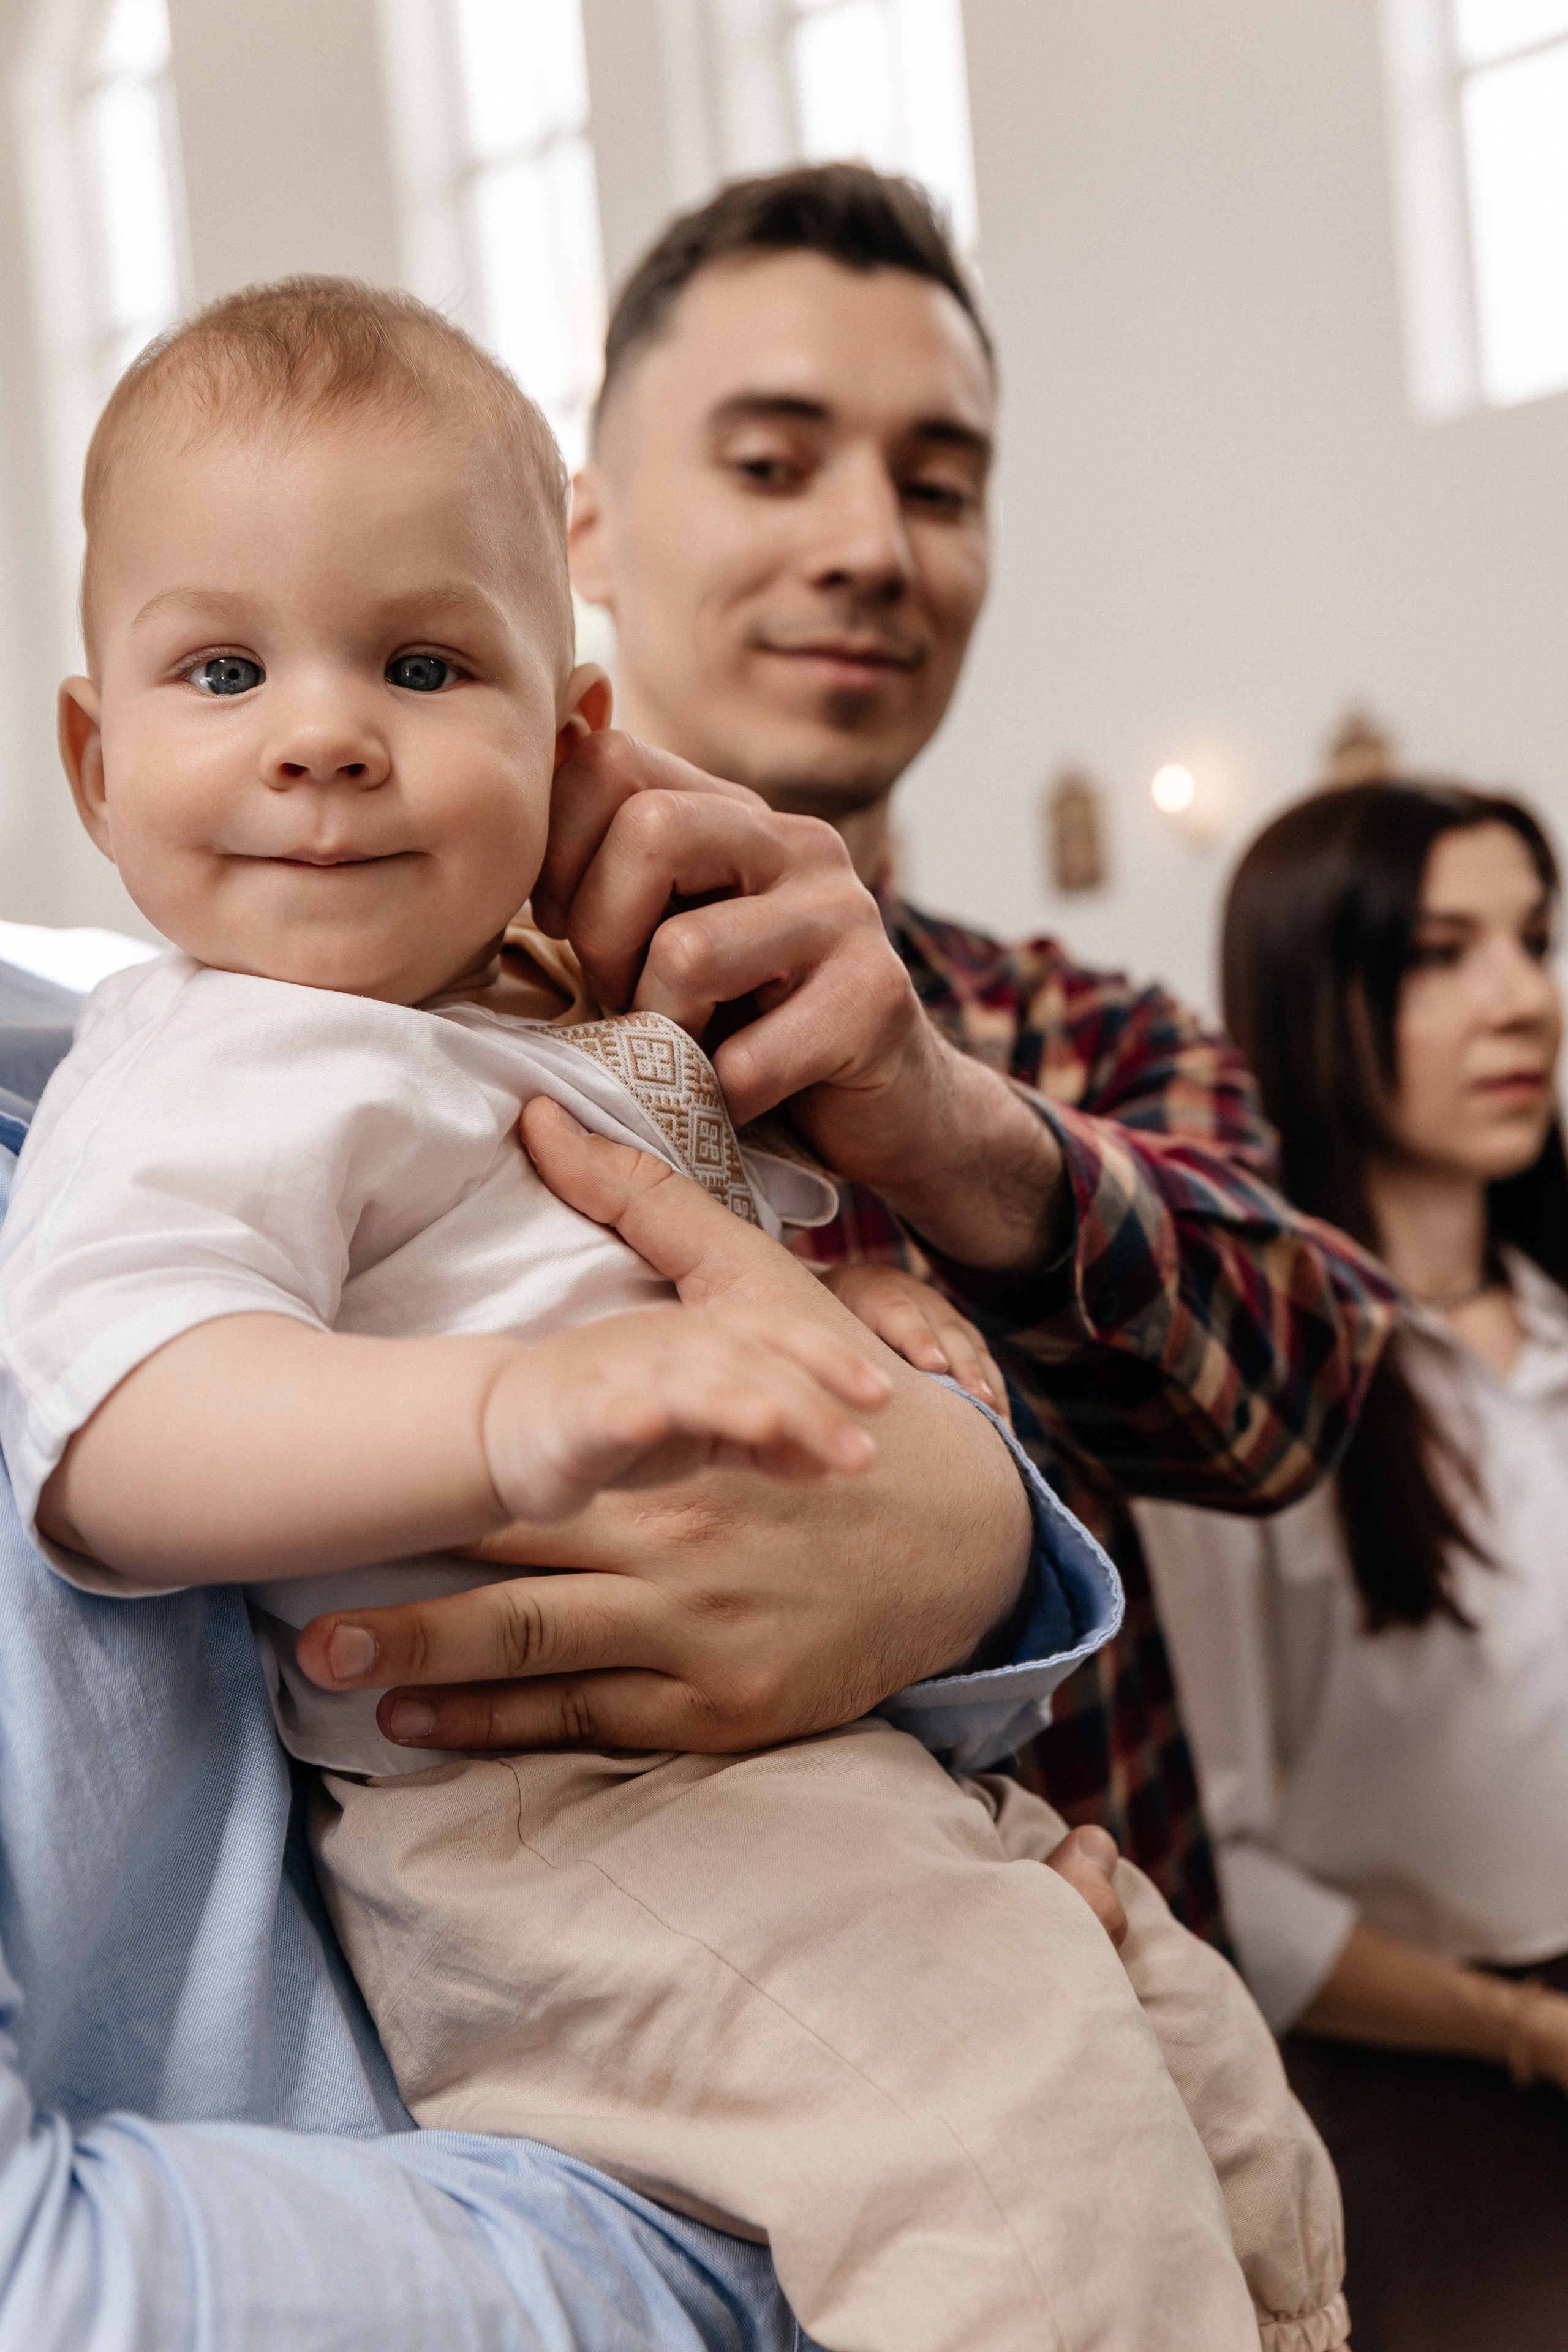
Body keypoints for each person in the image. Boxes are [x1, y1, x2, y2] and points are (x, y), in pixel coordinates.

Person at [0, 279, 1348, 2352]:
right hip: (557, 1825)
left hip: (867, 1782)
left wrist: (891, 1309)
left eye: (422, 666)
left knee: (1228, 2120)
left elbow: (1298, 1350)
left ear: (562, 740)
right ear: (97, 763)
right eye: (225, 669)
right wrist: (517, 1413)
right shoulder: (208, 1058)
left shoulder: (563, 1027)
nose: (324, 732)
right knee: (1033, 2185)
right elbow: (117, 1431)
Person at [434, 160, 1391, 1940]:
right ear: (584, 534)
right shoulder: (410, 1030)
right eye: (770, 463)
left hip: (1126, 1995)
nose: (872, 547)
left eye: (938, 486)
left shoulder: (1079, 1029)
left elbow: (1307, 1388)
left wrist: (954, 1132)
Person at [1137, 778, 1568, 2351]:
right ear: (1311, 998)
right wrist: (1523, 2030)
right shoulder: (1252, 1392)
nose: (1521, 999)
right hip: (1424, 2097)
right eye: (1437, 955)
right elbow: (1223, 1868)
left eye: (1532, 939)